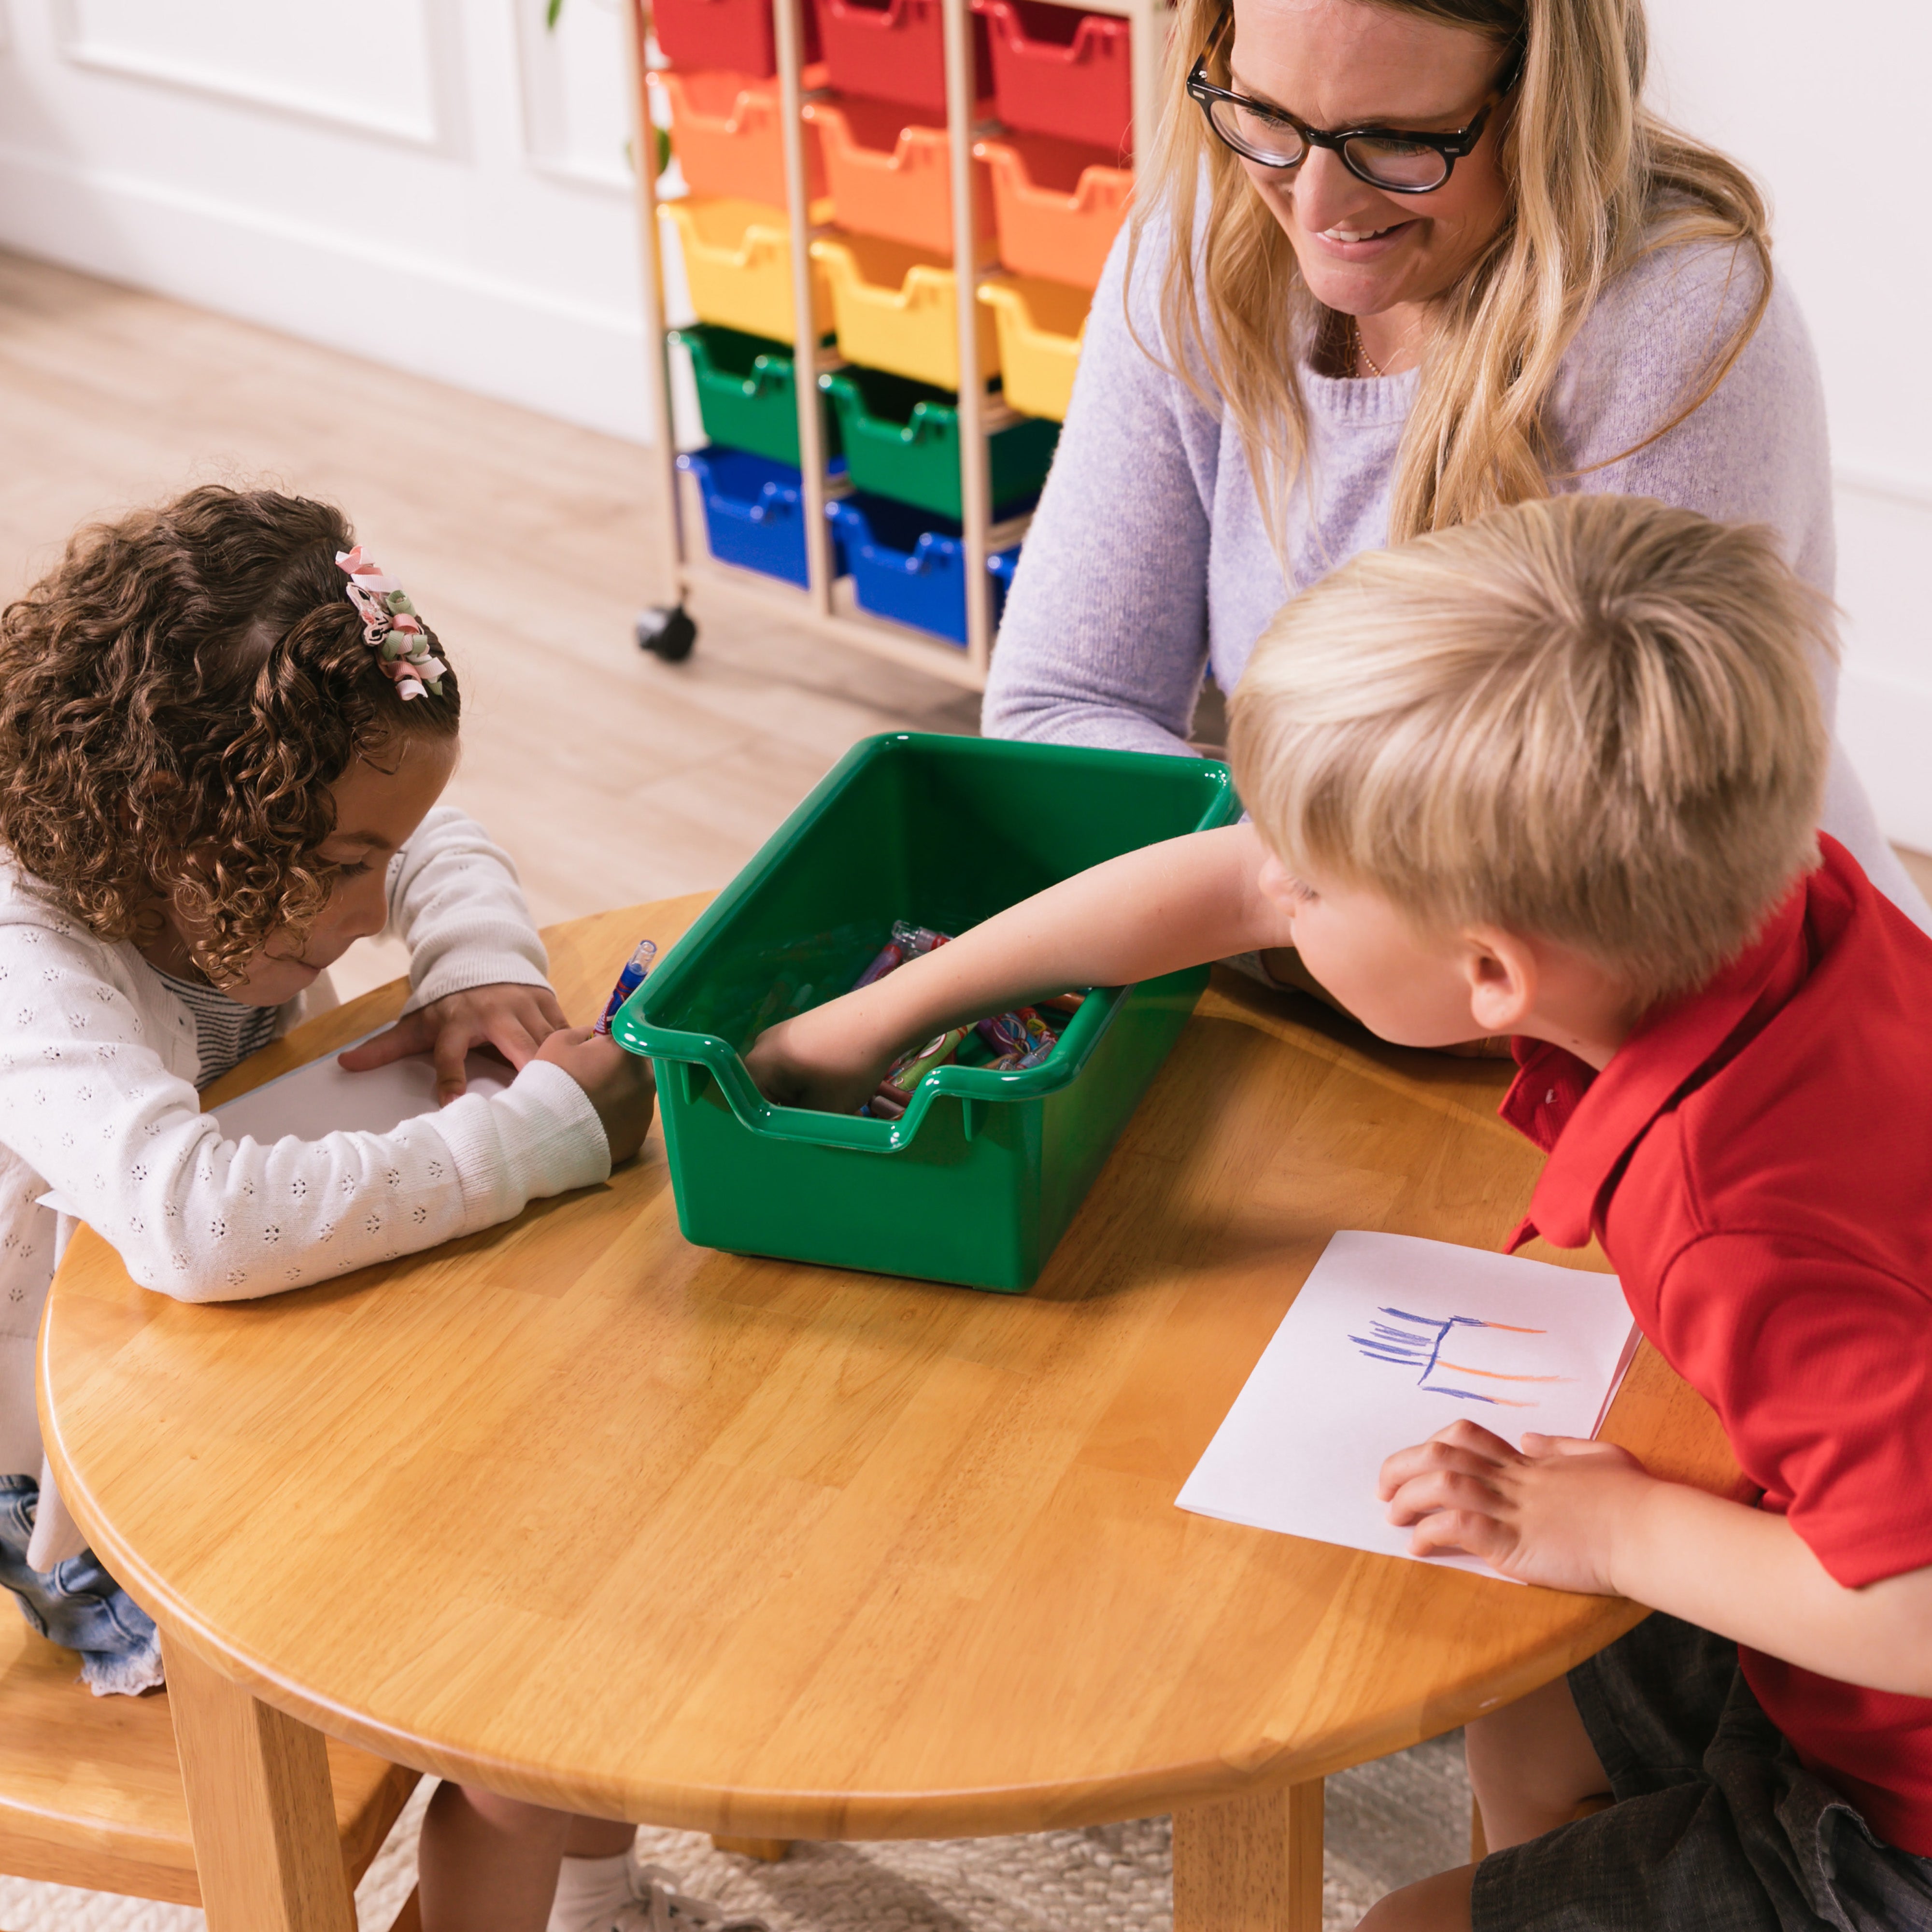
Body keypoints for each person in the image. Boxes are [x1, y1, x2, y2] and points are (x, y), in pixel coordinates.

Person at [746, 494, 1932, 1931]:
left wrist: (1615, 1533)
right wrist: (888, 1011)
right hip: (1830, 1574)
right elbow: (1230, 879)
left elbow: (1911, 1610)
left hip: (1885, 1810)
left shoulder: (1739, 1223)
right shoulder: (1790, 893)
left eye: (1311, 890)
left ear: (1494, 977)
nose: (1272, 891)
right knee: (1523, 1688)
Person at [0, 488, 760, 1932]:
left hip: (229, 1343)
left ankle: (598, 1889)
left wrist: (469, 960)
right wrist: (531, 1136)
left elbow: (435, 834)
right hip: (80, 1460)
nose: (368, 897)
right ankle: (557, 1845)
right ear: (175, 813)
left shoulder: (238, 840)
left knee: (596, 1491)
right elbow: (192, 1221)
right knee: (516, 1654)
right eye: (346, 866)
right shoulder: (27, 954)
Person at [985, 0, 1932, 938]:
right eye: (1266, 114)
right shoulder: (1196, 249)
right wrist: (1315, 893)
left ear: (1541, 97)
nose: (1316, 208)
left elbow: (1602, 904)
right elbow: (1056, 715)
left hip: (1746, 1012)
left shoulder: (1677, 324)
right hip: (1373, 995)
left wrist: (1230, 889)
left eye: (1395, 139)